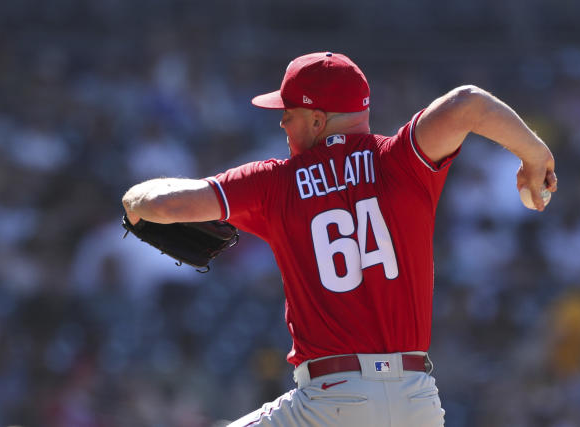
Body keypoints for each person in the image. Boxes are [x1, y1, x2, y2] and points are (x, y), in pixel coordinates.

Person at [122, 51, 557, 426]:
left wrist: (133, 201)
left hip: (331, 402)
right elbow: (468, 103)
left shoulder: (277, 184)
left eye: (287, 115)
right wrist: (535, 155)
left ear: (317, 118)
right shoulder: (401, 161)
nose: (283, 127)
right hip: (418, 402)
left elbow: (165, 205)